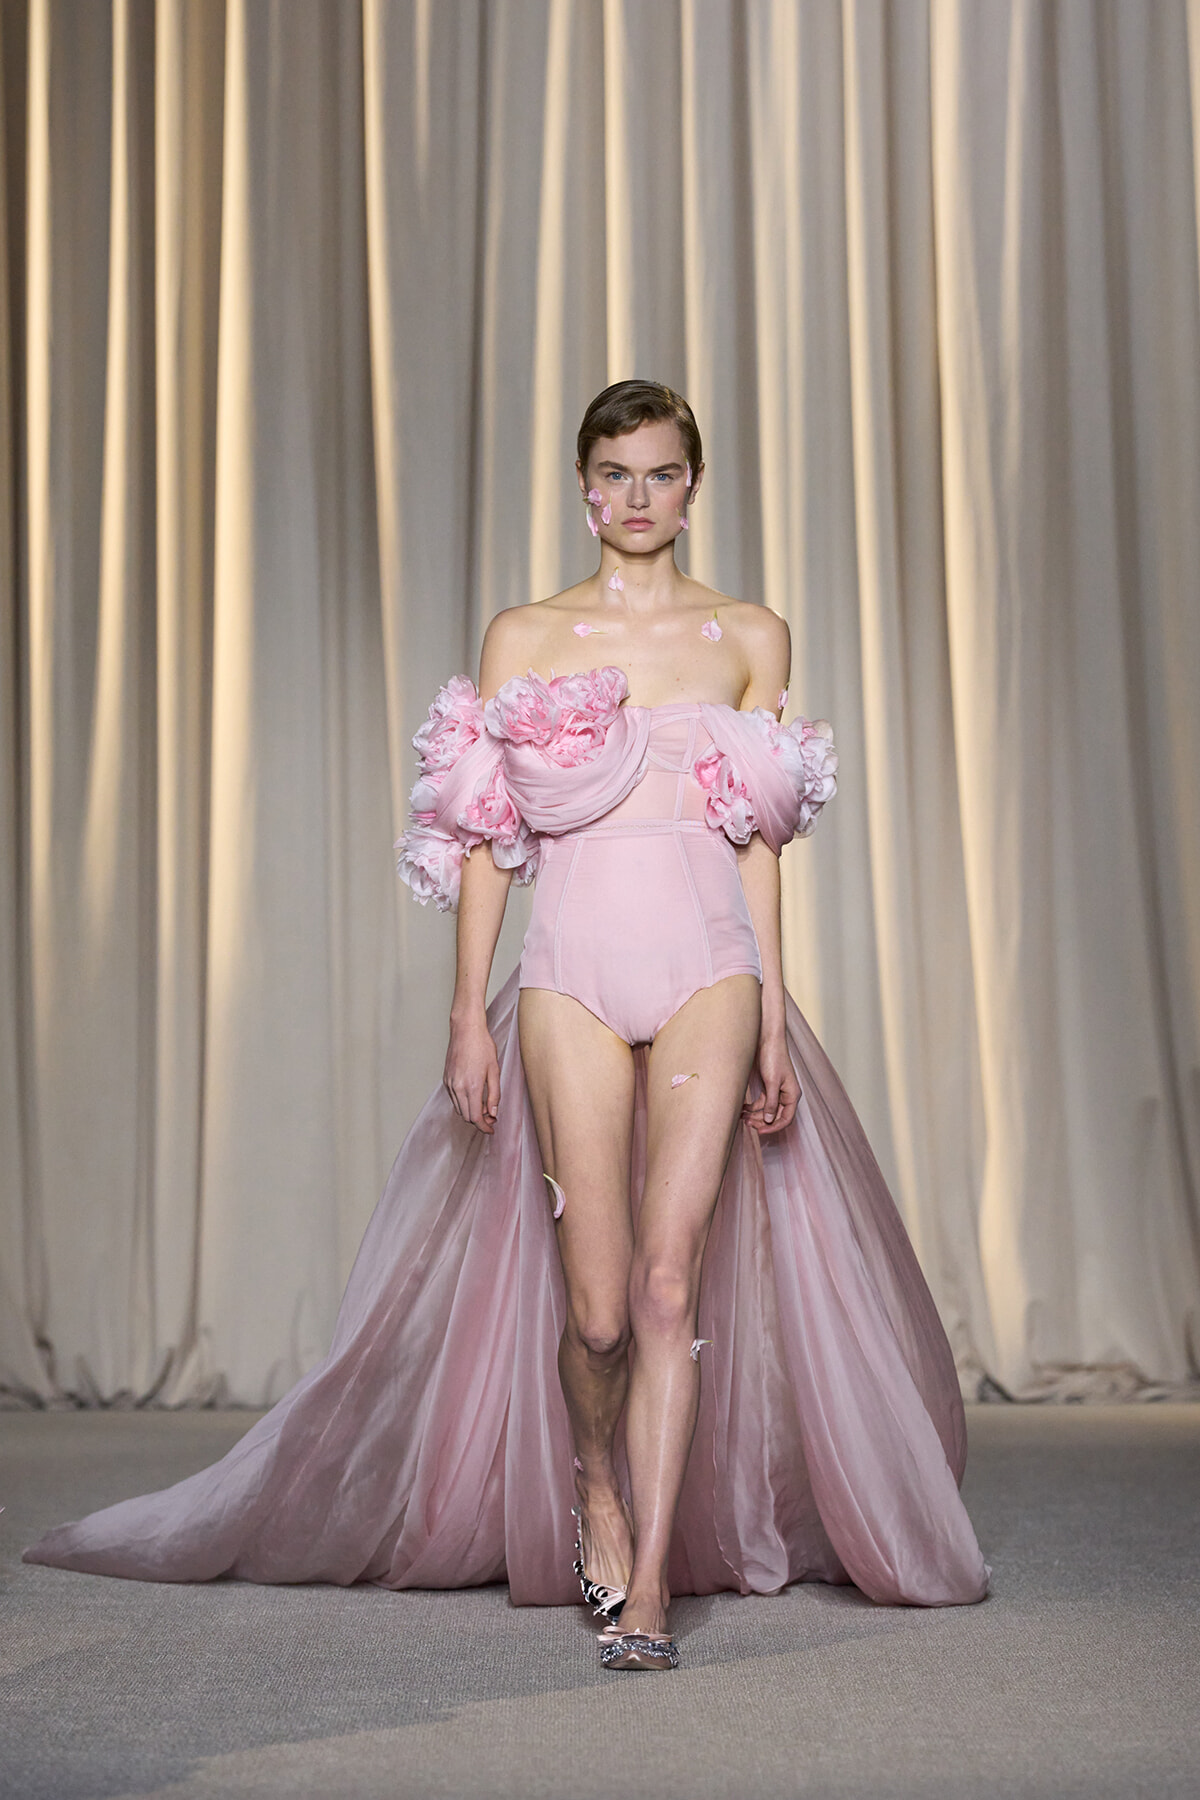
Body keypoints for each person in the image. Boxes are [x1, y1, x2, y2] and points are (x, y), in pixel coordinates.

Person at [25, 380, 988, 1670]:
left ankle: (646, 1586)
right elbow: (485, 834)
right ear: (583, 486)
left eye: (661, 474)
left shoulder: (751, 634)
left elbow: (758, 844)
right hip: (570, 972)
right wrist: (462, 1017)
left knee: (665, 1284)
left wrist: (770, 1016)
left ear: (694, 486)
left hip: (711, 964)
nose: (638, 498)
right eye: (615, 474)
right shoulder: (527, 635)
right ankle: (596, 1481)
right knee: (594, 1313)